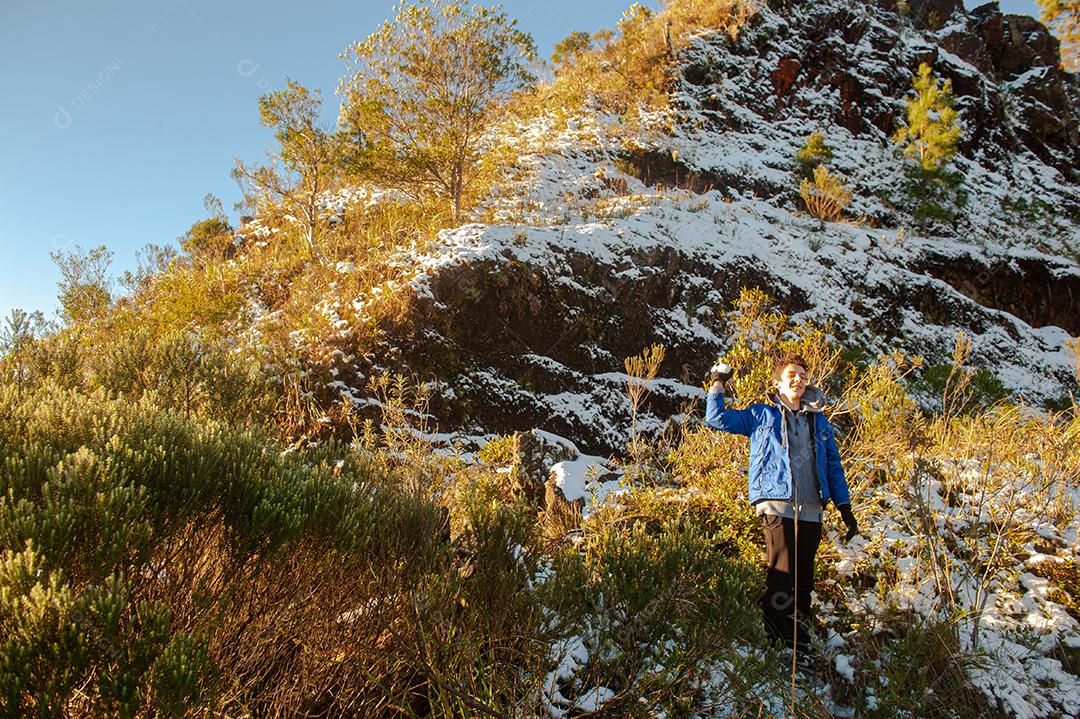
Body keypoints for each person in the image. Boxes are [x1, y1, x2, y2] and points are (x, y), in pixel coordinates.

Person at [704, 352, 857, 661]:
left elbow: (833, 466)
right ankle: (778, 640)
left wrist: (844, 506)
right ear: (778, 381)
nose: (798, 379)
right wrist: (718, 383)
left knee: (804, 576)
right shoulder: (763, 415)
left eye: (802, 374)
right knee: (782, 570)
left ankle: (800, 636)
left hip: (812, 505)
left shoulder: (819, 421)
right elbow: (717, 419)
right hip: (777, 502)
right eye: (791, 374)